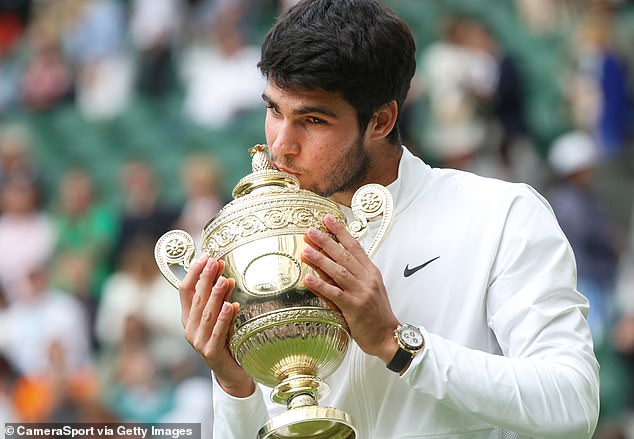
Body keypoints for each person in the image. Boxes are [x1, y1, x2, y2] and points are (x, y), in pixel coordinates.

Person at [178, 1, 600, 438]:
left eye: (313, 119)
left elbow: (572, 405)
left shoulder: (499, 214)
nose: (281, 145)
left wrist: (397, 343)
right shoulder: (260, 244)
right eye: (274, 110)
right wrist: (234, 384)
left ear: (381, 120)